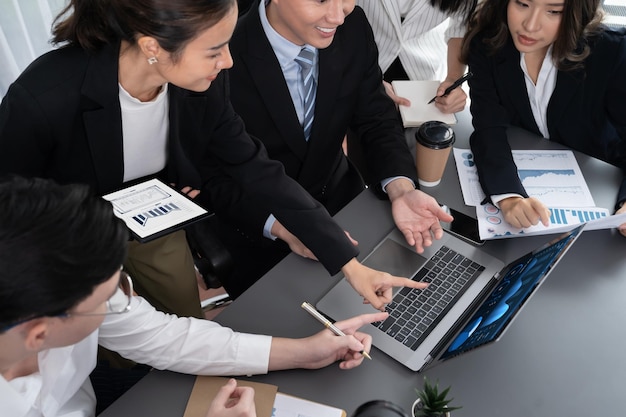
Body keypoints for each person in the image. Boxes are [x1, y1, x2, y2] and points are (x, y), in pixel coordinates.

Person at [0, 0, 427, 312]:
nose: (227, 61)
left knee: (175, 320)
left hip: (158, 219)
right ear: (153, 46)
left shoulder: (199, 80)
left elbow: (252, 165)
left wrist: (347, 263)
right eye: (214, 51)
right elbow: (12, 210)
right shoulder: (43, 98)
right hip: (63, 238)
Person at [0, 175, 387, 417]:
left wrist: (305, 352)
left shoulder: (64, 296)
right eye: (106, 301)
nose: (121, 303)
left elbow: (161, 337)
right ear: (38, 335)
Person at [209, 0, 454, 298]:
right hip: (263, 230)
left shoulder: (353, 26)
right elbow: (210, 175)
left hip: (342, 203)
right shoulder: (219, 53)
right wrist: (285, 228)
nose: (337, 16)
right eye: (321, 0)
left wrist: (401, 189)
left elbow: (375, 116)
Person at [461, 0, 626, 234]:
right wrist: (509, 197)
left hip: (602, 188)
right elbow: (488, 127)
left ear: (576, 13)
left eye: (553, 11)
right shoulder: (487, 42)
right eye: (522, 3)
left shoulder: (612, 51)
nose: (530, 25)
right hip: (532, 189)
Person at [357, 0, 477, 114]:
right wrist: (367, 81)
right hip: (358, 62)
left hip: (422, 73)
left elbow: (459, 29)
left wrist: (452, 79)